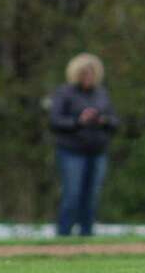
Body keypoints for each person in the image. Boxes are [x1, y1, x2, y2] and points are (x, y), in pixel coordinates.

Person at [48, 52, 118, 237]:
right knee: (72, 194)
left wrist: (102, 120)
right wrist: (78, 121)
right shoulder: (65, 93)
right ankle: (64, 234)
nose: (88, 77)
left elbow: (114, 122)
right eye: (84, 73)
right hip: (72, 151)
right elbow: (55, 121)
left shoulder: (101, 94)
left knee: (92, 196)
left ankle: (87, 235)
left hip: (97, 151)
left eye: (91, 73)